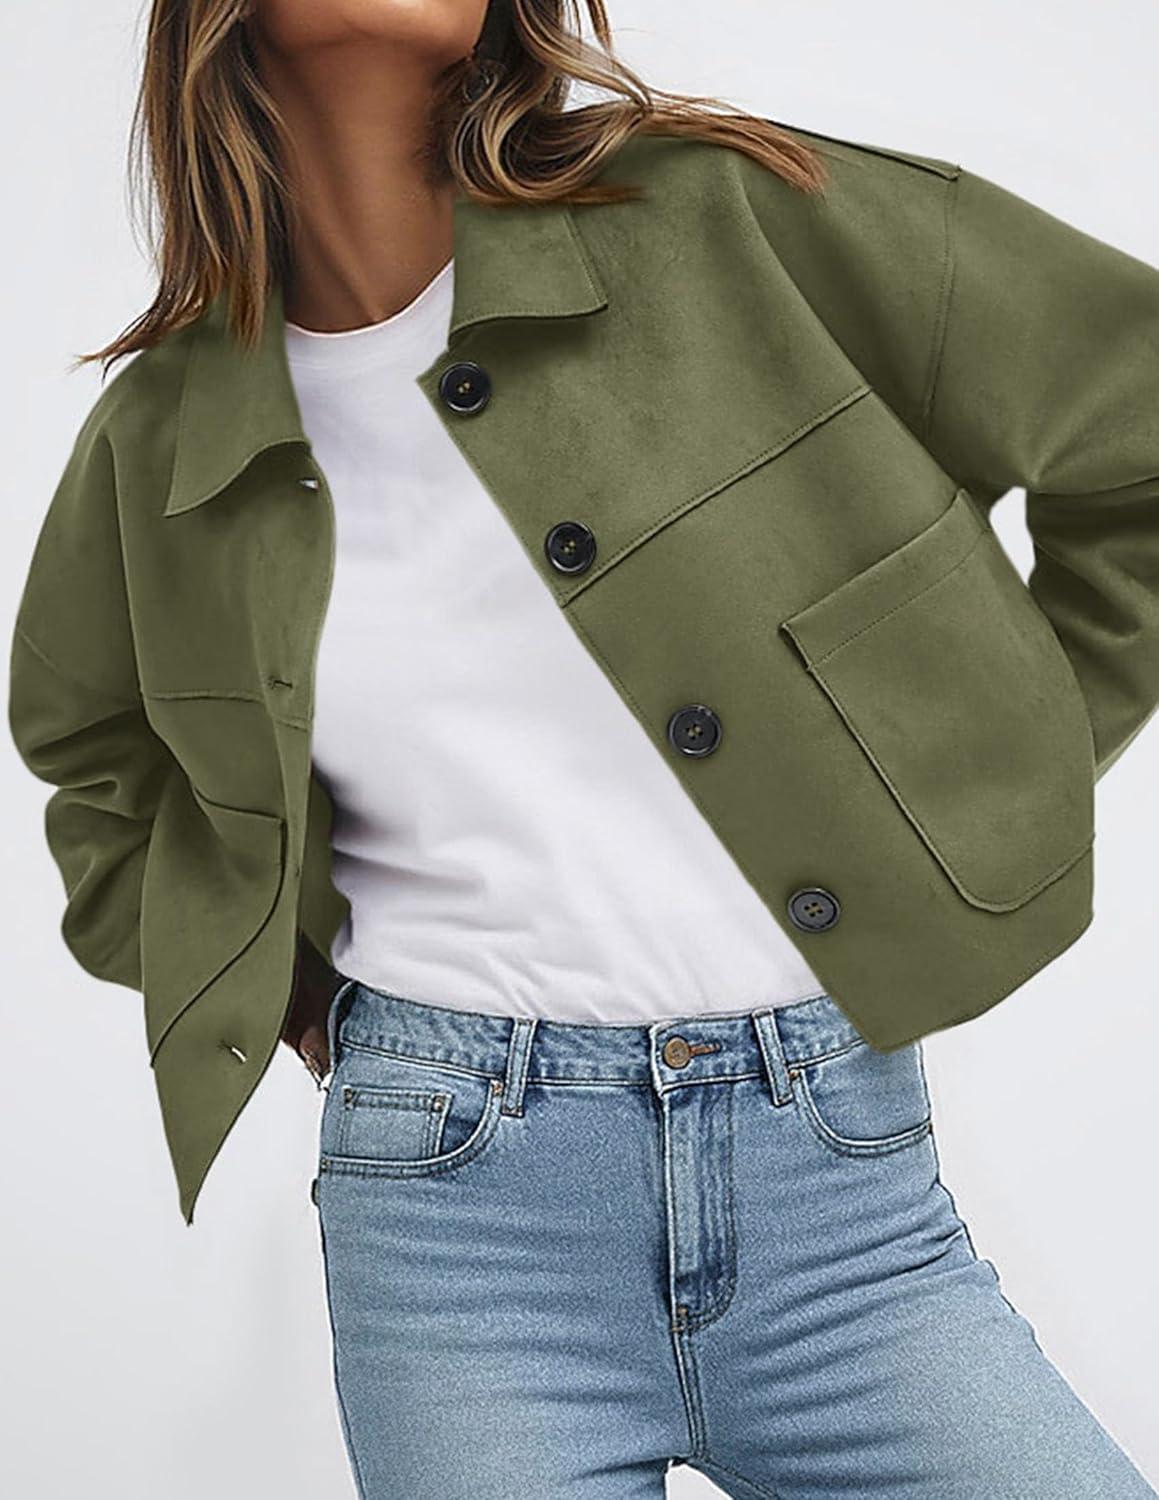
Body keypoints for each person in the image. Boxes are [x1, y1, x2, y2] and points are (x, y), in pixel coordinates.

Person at [9, 1, 1159, 1495]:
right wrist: (274, 982)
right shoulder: (166, 435)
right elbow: (91, 748)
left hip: (847, 1212)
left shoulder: (722, 215)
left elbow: (1137, 416)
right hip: (459, 1232)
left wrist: (982, 773)